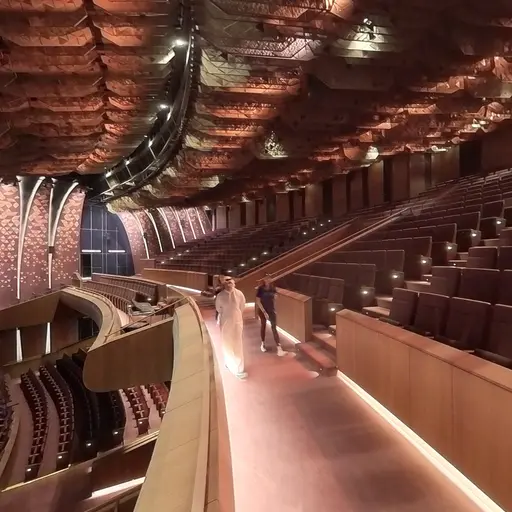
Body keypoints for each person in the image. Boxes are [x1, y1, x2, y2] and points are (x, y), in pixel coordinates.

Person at [215, 277, 247, 379]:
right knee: (227, 344)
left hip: (237, 322)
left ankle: (239, 368)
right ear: (224, 284)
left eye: (230, 281)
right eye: (227, 281)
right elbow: (219, 309)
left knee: (238, 343)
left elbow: (242, 306)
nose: (229, 283)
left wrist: (236, 316)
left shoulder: (239, 294)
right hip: (225, 323)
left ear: (234, 283)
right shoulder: (220, 296)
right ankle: (230, 365)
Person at [256, 274, 285, 357]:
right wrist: (264, 312)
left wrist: (274, 307)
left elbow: (274, 299)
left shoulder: (273, 288)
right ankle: (262, 343)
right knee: (263, 326)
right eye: (266, 278)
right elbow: (258, 301)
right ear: (264, 280)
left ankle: (279, 347)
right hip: (262, 310)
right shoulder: (260, 289)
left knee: (274, 327)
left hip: (271, 310)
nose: (268, 280)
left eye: (269, 278)